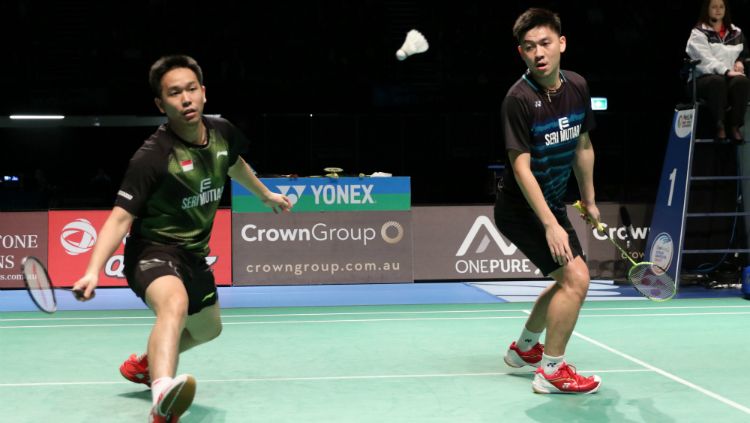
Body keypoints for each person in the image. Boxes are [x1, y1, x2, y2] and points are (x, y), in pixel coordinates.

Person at [72, 54, 292, 422]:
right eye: (175, 93)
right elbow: (121, 217)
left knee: (209, 329)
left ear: (203, 93)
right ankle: (162, 396)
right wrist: (93, 270)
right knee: (173, 304)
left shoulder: (222, 132)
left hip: (193, 254)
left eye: (191, 89)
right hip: (152, 251)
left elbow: (232, 162)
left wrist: (264, 195)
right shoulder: (153, 156)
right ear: (161, 104)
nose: (185, 99)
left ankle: (145, 365)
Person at [494, 8, 601, 394]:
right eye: (528, 47)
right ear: (521, 53)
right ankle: (551, 371)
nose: (538, 52)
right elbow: (521, 168)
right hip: (522, 209)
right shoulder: (518, 99)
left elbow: (583, 145)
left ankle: (524, 350)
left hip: (553, 202)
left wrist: (588, 199)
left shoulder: (577, 86)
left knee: (565, 282)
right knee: (576, 279)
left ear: (561, 43)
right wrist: (550, 224)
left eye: (544, 43)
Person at [686, 0, 750, 144]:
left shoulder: (736, 32)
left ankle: (734, 126)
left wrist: (740, 61)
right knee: (717, 81)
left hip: (728, 77)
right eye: (714, 6)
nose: (718, 10)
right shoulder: (698, 32)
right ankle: (719, 125)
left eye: (721, 6)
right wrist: (726, 71)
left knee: (742, 81)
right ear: (706, 10)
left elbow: (743, 53)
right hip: (703, 79)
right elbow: (705, 60)